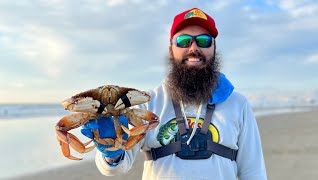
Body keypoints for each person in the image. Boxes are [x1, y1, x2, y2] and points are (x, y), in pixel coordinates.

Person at [81, 7, 267, 180]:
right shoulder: (148, 103)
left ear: (214, 49)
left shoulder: (237, 104)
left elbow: (254, 171)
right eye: (184, 41)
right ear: (171, 50)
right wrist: (111, 151)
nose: (193, 48)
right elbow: (115, 167)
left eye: (203, 41)